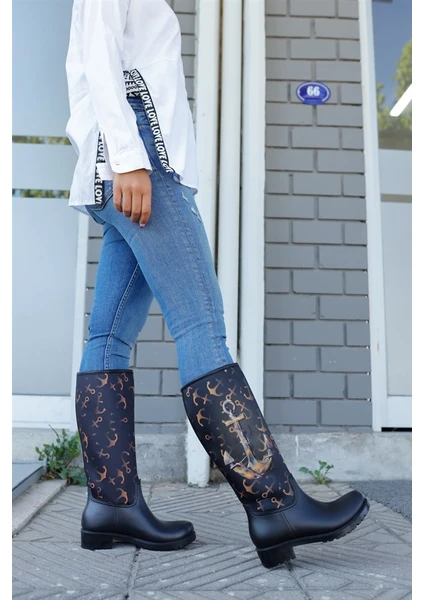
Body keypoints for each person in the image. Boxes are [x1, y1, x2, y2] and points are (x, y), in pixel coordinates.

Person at [65, 0, 369, 569]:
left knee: (107, 339)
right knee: (200, 326)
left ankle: (111, 506)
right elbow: (100, 54)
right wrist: (130, 159)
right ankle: (274, 505)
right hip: (139, 161)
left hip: (116, 165)